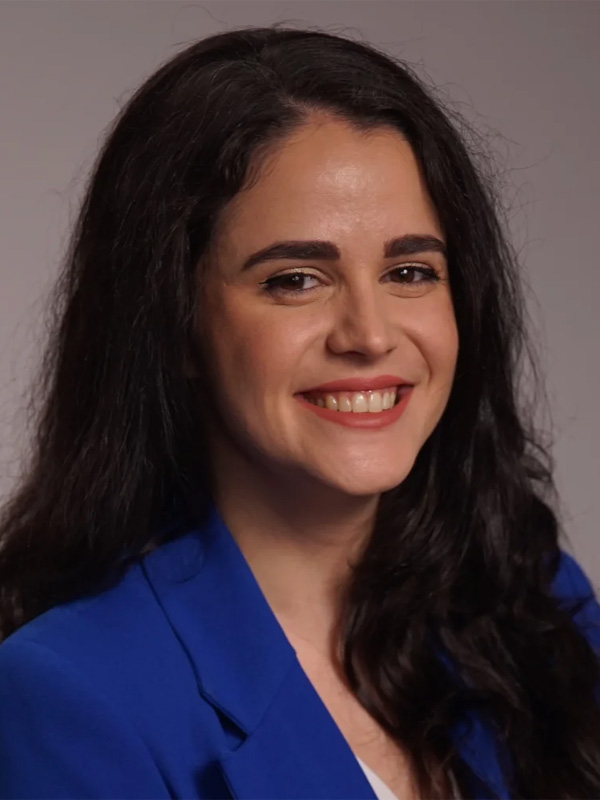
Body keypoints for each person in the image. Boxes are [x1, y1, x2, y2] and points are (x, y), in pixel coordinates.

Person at [0, 24, 598, 800]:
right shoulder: (71, 695)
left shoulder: (537, 606)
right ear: (173, 323)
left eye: (410, 271)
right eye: (295, 280)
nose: (370, 335)